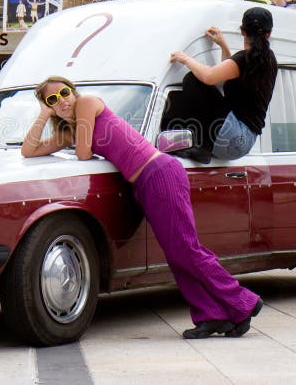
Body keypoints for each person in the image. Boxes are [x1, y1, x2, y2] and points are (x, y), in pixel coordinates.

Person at [21, 76, 263, 339]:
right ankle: (212, 315)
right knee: (176, 253)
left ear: (74, 92)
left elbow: (83, 154)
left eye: (64, 93)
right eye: (52, 100)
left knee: (187, 248)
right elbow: (28, 150)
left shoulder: (88, 104)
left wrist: (61, 117)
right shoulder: (72, 130)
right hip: (144, 183)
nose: (62, 100)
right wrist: (43, 116)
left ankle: (244, 301)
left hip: (160, 173)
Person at [169, 6, 278, 164]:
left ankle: (203, 145)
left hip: (230, 135)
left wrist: (185, 59)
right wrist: (223, 46)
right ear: (269, 33)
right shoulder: (269, 60)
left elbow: (210, 77)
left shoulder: (243, 60)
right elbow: (228, 76)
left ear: (242, 31)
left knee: (193, 80)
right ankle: (203, 146)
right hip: (243, 143)